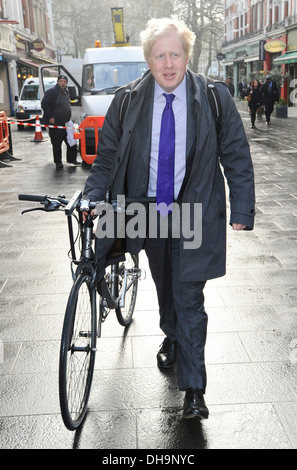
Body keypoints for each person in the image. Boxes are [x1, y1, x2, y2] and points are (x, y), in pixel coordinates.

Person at [83, 18, 255, 420]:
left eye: (175, 53)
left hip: (193, 209)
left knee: (189, 295)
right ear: (149, 60)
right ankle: (172, 335)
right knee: (164, 285)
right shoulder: (126, 101)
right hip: (145, 212)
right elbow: (106, 157)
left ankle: (194, 390)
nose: (168, 63)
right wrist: (94, 198)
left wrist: (242, 208)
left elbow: (235, 153)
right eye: (160, 55)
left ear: (186, 55)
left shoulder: (215, 97)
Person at [41, 75, 80, 169]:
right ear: (58, 82)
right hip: (56, 123)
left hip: (66, 123)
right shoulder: (52, 91)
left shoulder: (65, 92)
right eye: (61, 81)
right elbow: (44, 103)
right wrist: (50, 117)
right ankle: (58, 162)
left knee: (71, 141)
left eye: (64, 81)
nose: (63, 83)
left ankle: (72, 159)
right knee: (57, 143)